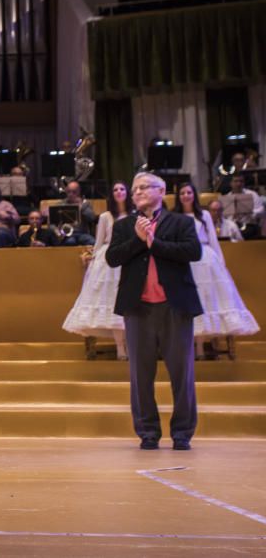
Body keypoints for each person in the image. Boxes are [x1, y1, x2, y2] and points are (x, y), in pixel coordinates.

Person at [106, 173, 202, 451]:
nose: (137, 192)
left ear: (161, 191)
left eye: (144, 187)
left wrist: (154, 243)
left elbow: (193, 252)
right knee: (140, 374)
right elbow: (112, 258)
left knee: (182, 373)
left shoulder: (181, 222)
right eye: (135, 189)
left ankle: (182, 432)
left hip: (175, 307)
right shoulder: (124, 226)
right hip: (138, 308)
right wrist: (138, 239)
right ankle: (148, 432)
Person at [173, 183, 259, 359]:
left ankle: (200, 347)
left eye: (189, 192)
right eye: (182, 193)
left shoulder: (203, 215)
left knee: (205, 301)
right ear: (178, 196)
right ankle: (188, 347)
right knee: (188, 304)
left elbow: (213, 239)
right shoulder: (175, 216)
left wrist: (221, 264)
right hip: (184, 259)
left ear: (194, 195)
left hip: (204, 259)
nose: (186, 195)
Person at [63, 182, 133, 359]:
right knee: (112, 306)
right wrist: (92, 260)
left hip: (131, 258)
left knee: (131, 307)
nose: (118, 192)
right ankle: (120, 348)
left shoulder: (135, 215)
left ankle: (133, 346)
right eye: (115, 189)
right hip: (109, 261)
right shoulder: (106, 216)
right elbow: (99, 241)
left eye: (122, 189)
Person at [56, 181, 97, 246]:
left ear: (79, 192)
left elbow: (92, 218)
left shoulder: (85, 204)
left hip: (82, 233)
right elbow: (54, 221)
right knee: (70, 242)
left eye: (74, 192)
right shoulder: (61, 204)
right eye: (68, 191)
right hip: (67, 235)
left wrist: (81, 207)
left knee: (92, 241)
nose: (71, 194)